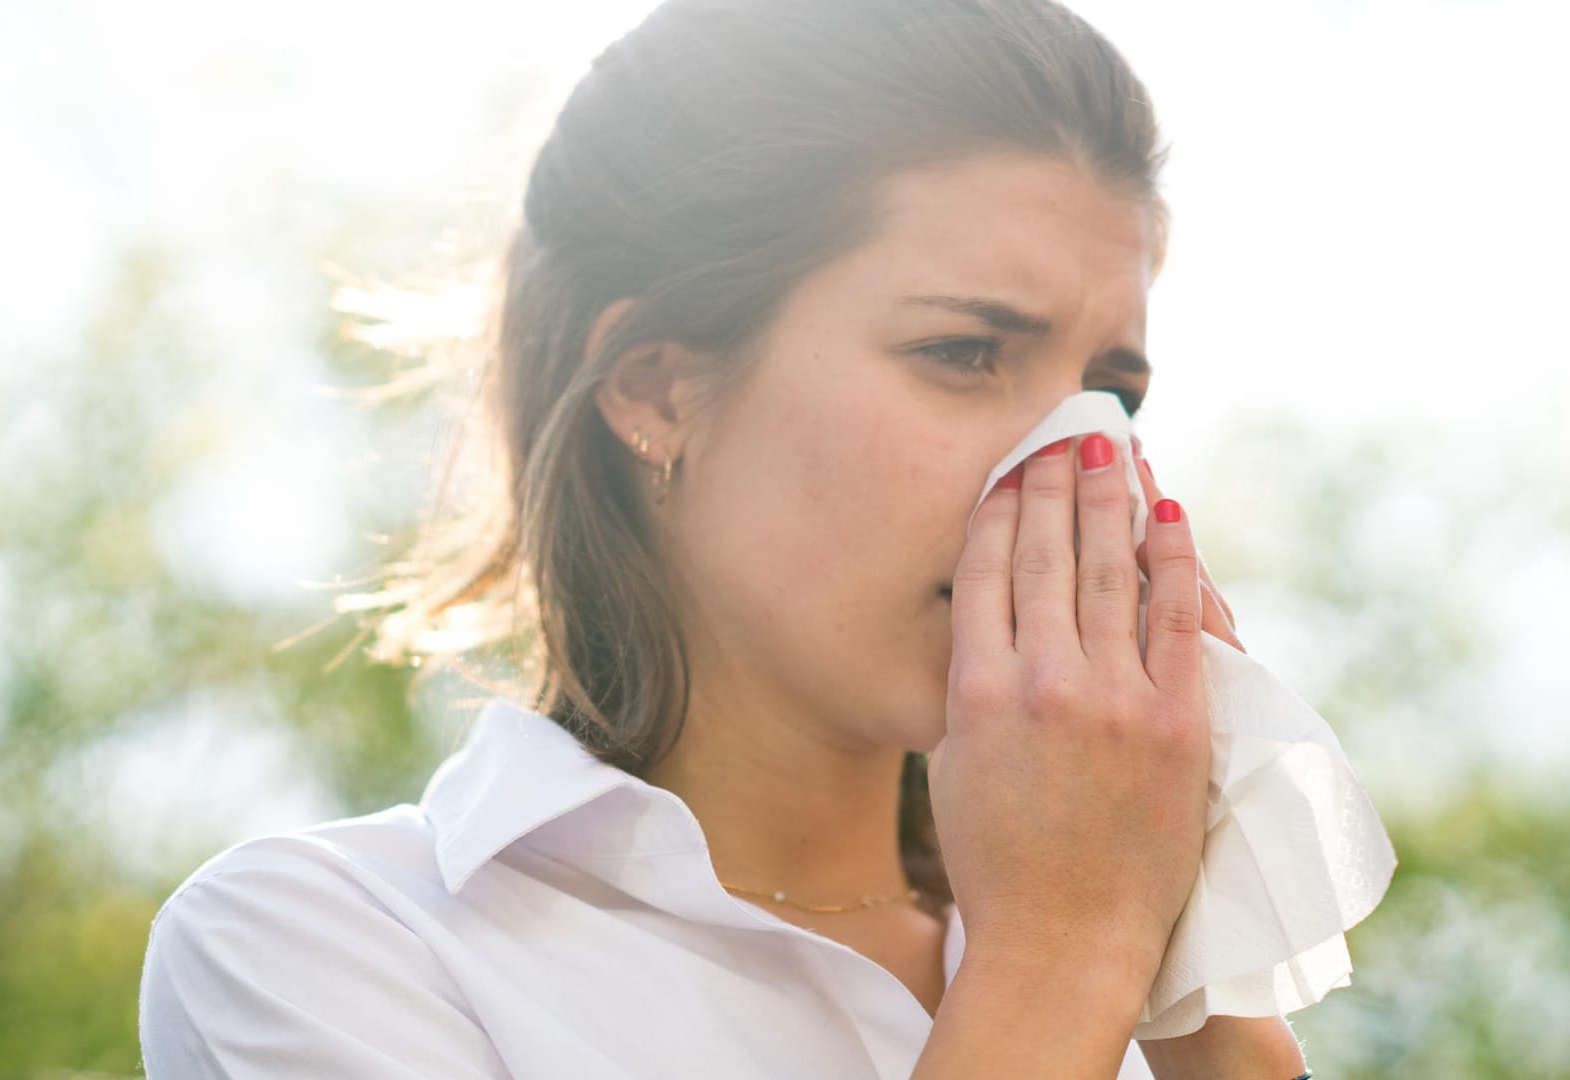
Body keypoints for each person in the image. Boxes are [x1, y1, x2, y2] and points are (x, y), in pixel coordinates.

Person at [139, 0, 1315, 1076]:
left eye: (1112, 394)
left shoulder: (1165, 1007)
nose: (1072, 468)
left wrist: (1195, 966)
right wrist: (1066, 955)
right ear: (656, 390)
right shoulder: (334, 946)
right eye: (964, 353)